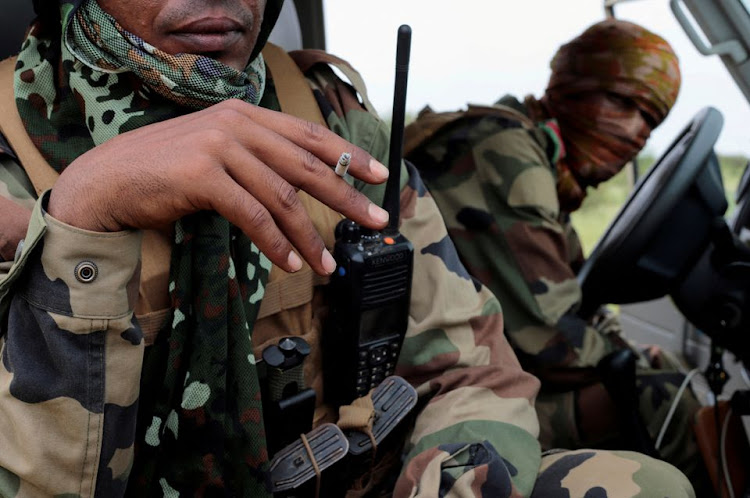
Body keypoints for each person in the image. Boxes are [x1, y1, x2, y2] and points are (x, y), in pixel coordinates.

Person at [0, 2, 696, 496]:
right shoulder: (13, 162)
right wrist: (85, 217)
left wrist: (461, 481)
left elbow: (470, 365)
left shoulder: (330, 119)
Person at [404, 18, 713, 495]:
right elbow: (554, 345)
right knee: (664, 397)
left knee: (655, 367)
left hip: (476, 368)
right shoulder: (508, 153)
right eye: (621, 101)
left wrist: (628, 351)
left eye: (650, 120)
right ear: (572, 86)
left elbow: (568, 299)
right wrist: (631, 359)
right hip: (445, 399)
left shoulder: (537, 157)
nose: (635, 133)